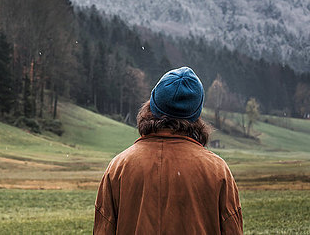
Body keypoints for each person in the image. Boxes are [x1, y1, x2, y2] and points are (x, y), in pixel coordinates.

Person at [94, 67, 243, 234]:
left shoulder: (119, 167)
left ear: (152, 105)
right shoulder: (217, 170)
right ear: (196, 114)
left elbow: (103, 229)